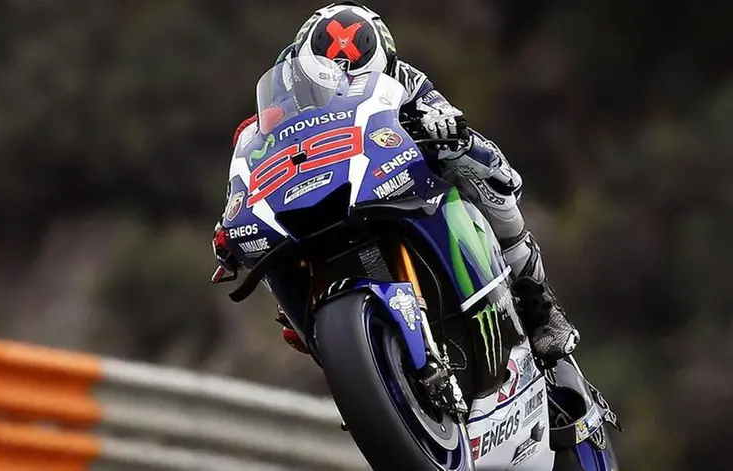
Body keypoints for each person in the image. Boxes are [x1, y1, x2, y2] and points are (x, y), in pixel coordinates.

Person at [216, 1, 580, 365]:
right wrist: (229, 223)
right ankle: (347, 359)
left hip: (392, 178)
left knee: (479, 163)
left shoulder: (407, 79)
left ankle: (539, 303)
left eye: (355, 74)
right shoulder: (279, 100)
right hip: (322, 194)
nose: (344, 80)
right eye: (330, 75)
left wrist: (444, 126)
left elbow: (441, 111)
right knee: (267, 253)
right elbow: (247, 166)